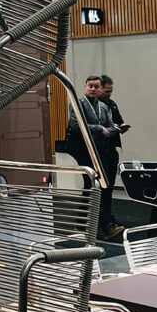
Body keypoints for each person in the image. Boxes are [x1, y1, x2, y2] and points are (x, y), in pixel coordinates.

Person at [66, 74, 122, 240]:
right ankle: (107, 226)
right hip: (84, 151)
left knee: (93, 187)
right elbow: (76, 126)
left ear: (100, 89)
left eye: (96, 86)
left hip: (101, 151)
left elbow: (112, 127)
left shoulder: (103, 107)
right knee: (95, 185)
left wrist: (109, 131)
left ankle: (81, 224)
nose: (92, 89)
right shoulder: (78, 104)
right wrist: (99, 129)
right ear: (85, 87)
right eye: (90, 86)